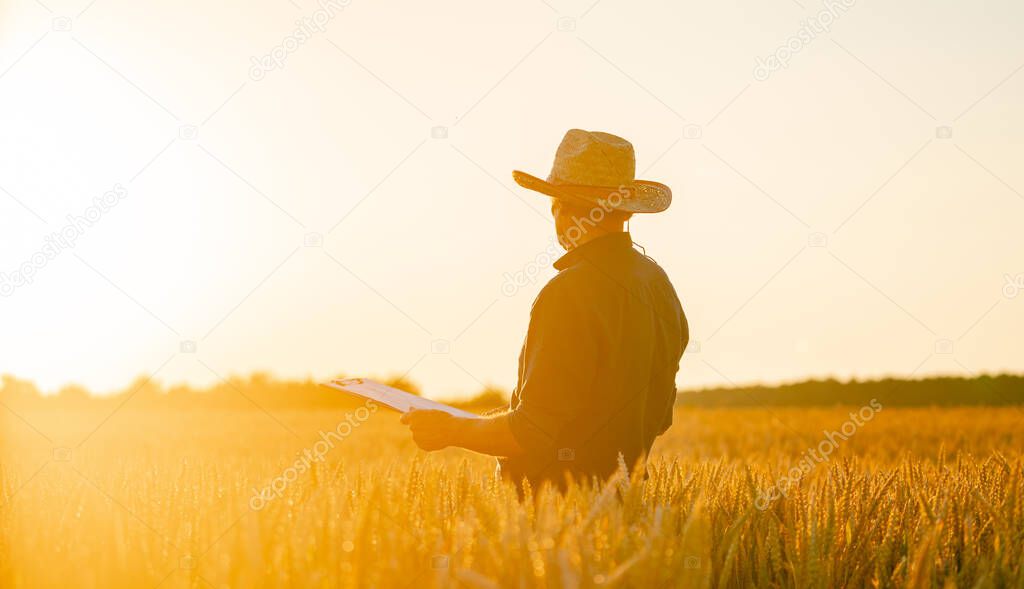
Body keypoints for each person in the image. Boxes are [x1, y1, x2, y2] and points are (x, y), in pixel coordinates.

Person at [401, 129, 688, 489]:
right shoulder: (659, 285)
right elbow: (659, 419)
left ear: (561, 208)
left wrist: (450, 430)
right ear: (626, 210)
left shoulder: (569, 292)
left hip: (554, 517)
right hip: (628, 513)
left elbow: (531, 432)